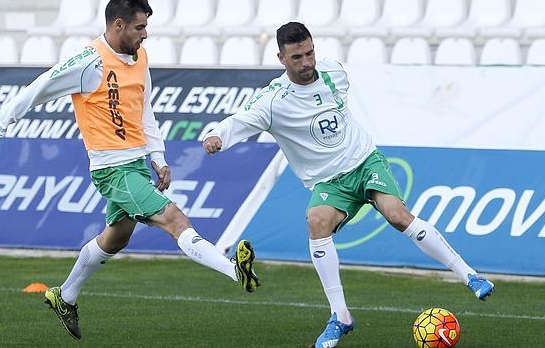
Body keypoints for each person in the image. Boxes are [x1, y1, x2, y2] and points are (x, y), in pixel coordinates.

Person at [0, 0, 260, 340]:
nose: (146, 34)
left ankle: (65, 296)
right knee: (174, 219)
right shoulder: (88, 62)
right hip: (112, 169)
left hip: (136, 164)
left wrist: (158, 157)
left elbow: (144, 110)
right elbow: (37, 90)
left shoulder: (140, 58)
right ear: (118, 24)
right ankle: (234, 271)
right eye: (140, 27)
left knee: (116, 237)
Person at [202, 22, 494, 348]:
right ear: (281, 58)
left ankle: (470, 274)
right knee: (316, 221)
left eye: (310, 52)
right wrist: (217, 137)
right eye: (297, 56)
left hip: (364, 160)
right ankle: (340, 317)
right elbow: (239, 121)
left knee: (397, 215)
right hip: (330, 181)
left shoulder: (333, 72)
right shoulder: (273, 101)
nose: (306, 62)